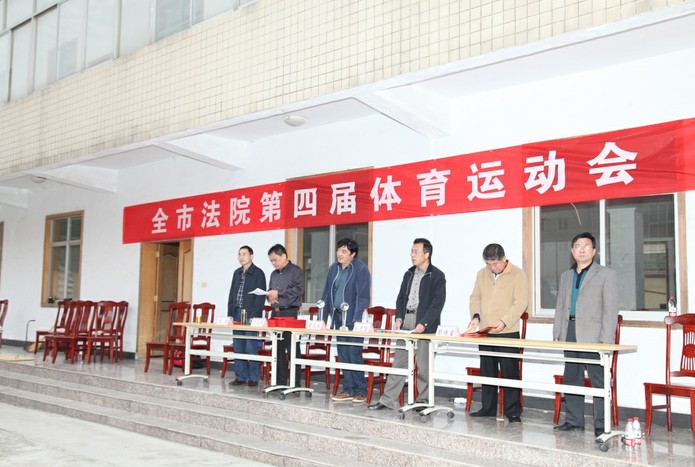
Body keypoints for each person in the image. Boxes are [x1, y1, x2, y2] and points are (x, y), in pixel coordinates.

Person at [553, 232, 619, 437]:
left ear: (594, 250)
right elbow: (560, 305)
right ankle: (574, 420)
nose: (582, 250)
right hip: (570, 331)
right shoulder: (566, 275)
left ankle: (601, 423)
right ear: (572, 251)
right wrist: (557, 332)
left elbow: (611, 309)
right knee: (572, 376)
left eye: (586, 246)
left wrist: (607, 337)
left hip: (595, 334)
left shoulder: (606, 274)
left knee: (598, 380)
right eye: (578, 246)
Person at [368, 238, 446, 411]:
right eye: (412, 251)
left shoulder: (437, 275)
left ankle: (423, 401)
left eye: (416, 252)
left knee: (424, 366)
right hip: (407, 321)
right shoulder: (409, 274)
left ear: (427, 254)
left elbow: (437, 303)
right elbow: (401, 298)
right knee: (399, 363)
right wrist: (398, 318)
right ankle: (387, 400)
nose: (412, 255)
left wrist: (424, 323)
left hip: (425, 324)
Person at [467, 243, 528, 422]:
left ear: (504, 259)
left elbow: (520, 303)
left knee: (510, 372)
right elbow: (475, 297)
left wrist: (504, 321)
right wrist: (476, 316)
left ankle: (513, 411)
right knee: (487, 371)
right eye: (489, 264)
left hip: (507, 331)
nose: (492, 267)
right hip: (486, 331)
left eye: (495, 264)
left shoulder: (517, 274)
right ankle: (488, 408)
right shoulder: (482, 274)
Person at [321, 238, 371, 403]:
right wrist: (323, 318)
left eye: (344, 251)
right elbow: (327, 294)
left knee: (354, 353)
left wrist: (357, 319)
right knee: (343, 353)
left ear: (353, 254)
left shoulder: (360, 269)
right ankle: (348, 389)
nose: (339, 254)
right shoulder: (333, 269)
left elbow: (363, 297)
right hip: (338, 318)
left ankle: (361, 390)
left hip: (353, 319)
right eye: (339, 250)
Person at [227, 245, 267, 387]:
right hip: (237, 312)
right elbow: (232, 294)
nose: (241, 257)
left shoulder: (258, 273)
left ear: (251, 256)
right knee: (238, 345)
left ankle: (253, 377)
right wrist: (230, 314)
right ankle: (240, 376)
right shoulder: (237, 273)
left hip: (250, 314)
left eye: (244, 254)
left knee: (251, 346)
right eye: (239, 254)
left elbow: (260, 297)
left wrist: (255, 315)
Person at [267, 243, 305, 386]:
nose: (273, 263)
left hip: (290, 312)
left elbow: (299, 290)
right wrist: (270, 297)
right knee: (278, 349)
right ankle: (280, 382)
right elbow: (270, 290)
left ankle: (295, 382)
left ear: (283, 256)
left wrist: (279, 293)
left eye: (275, 260)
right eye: (271, 260)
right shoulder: (274, 274)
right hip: (275, 313)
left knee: (292, 348)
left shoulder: (296, 271)